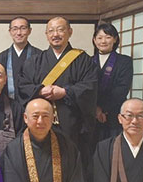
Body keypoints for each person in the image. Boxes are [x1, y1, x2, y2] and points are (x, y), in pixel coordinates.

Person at [18, 16, 97, 160]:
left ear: (70, 32)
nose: (55, 34)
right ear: (46, 35)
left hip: (72, 124)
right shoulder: (35, 61)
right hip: (40, 123)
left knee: (71, 161)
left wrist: (65, 92)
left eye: (60, 30)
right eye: (51, 31)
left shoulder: (83, 60)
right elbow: (23, 86)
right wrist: (40, 91)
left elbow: (90, 86)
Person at [91, 22, 133, 144]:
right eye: (99, 37)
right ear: (94, 40)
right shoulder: (88, 61)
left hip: (114, 113)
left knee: (114, 149)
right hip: (92, 115)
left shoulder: (124, 61)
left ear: (115, 39)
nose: (103, 41)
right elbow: (85, 88)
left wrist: (103, 109)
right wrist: (95, 109)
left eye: (108, 37)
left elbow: (122, 88)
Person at [0, 16, 39, 102]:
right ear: (10, 32)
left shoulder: (40, 56)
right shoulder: (0, 58)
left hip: (33, 105)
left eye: (23, 28)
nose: (19, 33)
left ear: (29, 31)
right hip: (7, 106)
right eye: (15, 29)